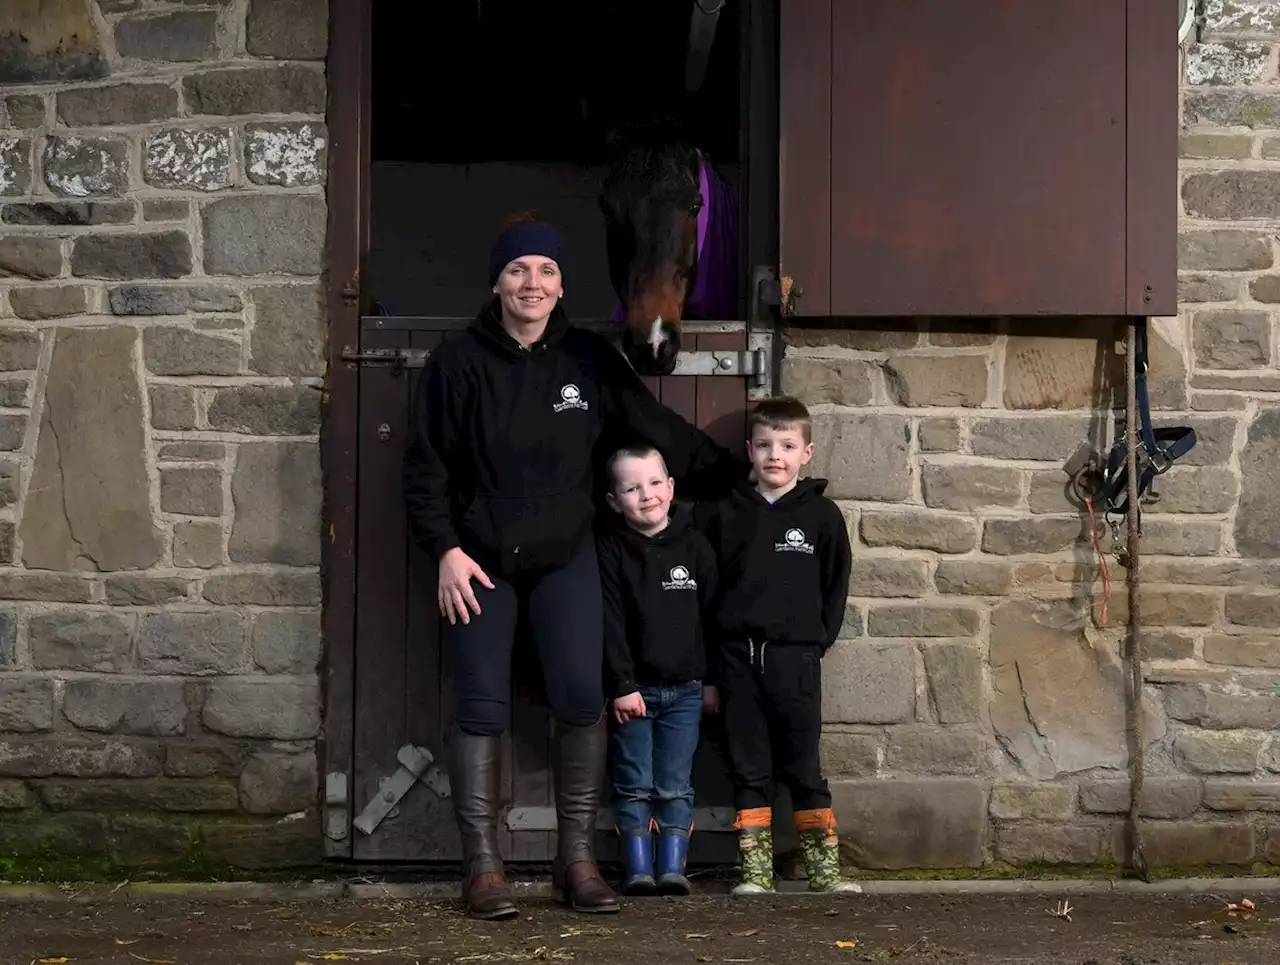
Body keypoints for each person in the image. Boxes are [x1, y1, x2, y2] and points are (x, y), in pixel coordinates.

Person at [402, 218, 748, 920]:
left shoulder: (588, 359)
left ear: (563, 285)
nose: (533, 284)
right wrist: (445, 549)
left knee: (580, 696)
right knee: (480, 704)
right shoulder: (458, 364)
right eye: (519, 270)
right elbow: (425, 468)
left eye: (547, 272)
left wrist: (744, 481)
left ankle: (577, 859)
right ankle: (483, 867)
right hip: (481, 563)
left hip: (567, 557)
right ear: (496, 282)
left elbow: (655, 428)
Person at [697, 396, 860, 895]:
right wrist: (709, 673)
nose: (775, 455)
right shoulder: (723, 514)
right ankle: (755, 876)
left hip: (796, 662)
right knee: (750, 768)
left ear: (806, 453)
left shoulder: (823, 517)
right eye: (765, 444)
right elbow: (704, 596)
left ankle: (825, 874)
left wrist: (813, 645)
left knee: (804, 767)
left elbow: (835, 587)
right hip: (736, 662)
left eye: (787, 446)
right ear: (749, 450)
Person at [597, 443, 719, 897]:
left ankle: (672, 870)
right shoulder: (611, 551)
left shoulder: (696, 548)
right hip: (635, 693)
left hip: (686, 691)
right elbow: (609, 623)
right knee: (633, 784)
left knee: (673, 784)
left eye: (653, 483)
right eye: (631, 488)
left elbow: (713, 619)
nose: (645, 494)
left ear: (670, 489)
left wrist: (710, 681)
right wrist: (622, 685)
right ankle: (638, 870)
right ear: (614, 501)